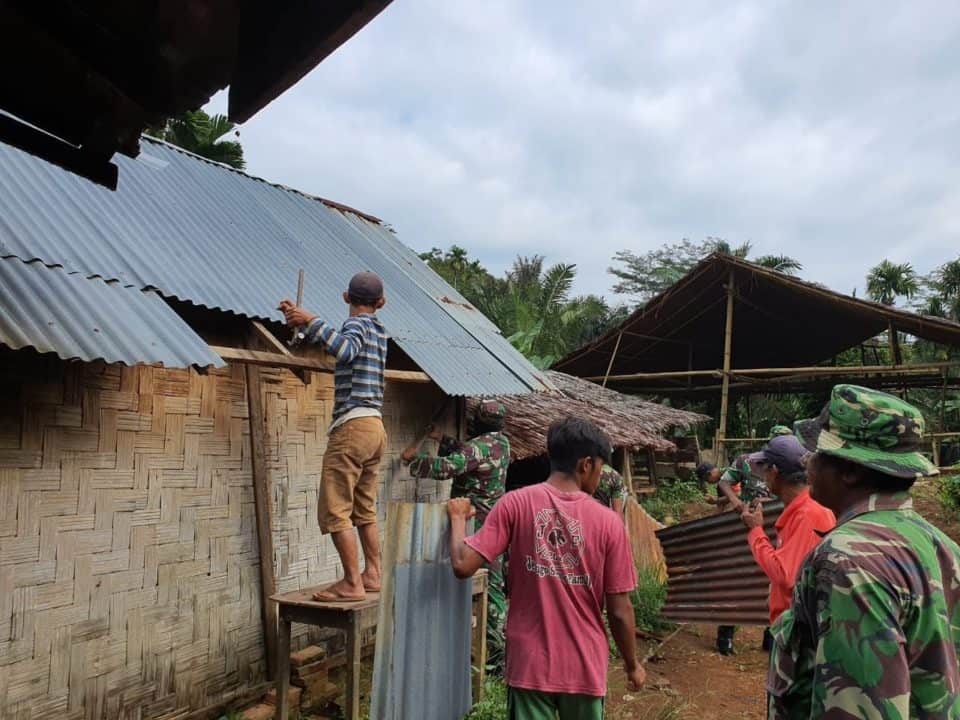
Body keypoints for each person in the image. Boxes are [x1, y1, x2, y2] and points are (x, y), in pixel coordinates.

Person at [768, 385, 960, 719]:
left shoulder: (847, 560)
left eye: (816, 451)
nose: (805, 461)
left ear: (850, 470)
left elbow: (858, 705)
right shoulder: (939, 544)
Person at [446, 417, 645, 719]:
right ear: (586, 465)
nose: (600, 476)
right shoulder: (609, 524)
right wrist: (632, 665)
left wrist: (458, 519)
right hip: (583, 666)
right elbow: (619, 610)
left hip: (529, 665)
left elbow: (462, 564)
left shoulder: (514, 504)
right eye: (601, 467)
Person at [279, 271, 388, 602]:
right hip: (375, 427)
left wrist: (311, 318)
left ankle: (351, 583)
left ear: (346, 298)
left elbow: (345, 349)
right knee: (363, 507)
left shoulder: (355, 326)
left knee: (335, 507)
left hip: (352, 426)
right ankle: (372, 574)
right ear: (381, 303)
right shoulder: (380, 331)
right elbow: (342, 348)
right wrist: (303, 324)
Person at [401, 399, 510, 675]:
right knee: (494, 586)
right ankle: (497, 656)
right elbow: (470, 454)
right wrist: (444, 439)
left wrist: (415, 461)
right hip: (494, 522)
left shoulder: (479, 446)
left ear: (479, 421)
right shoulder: (502, 443)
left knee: (480, 584)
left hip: (475, 523)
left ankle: (494, 659)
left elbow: (448, 468)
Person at [738, 434, 835, 651]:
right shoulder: (804, 509)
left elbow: (786, 576)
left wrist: (755, 531)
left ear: (774, 472)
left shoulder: (808, 514)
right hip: (794, 622)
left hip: (799, 632)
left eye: (764, 468)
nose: (763, 475)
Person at [696, 456, 771, 655]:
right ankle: (726, 637)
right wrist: (737, 502)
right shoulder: (746, 462)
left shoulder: (793, 463)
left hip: (775, 526)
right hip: (744, 525)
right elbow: (725, 484)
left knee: (771, 579)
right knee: (736, 578)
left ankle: (771, 636)